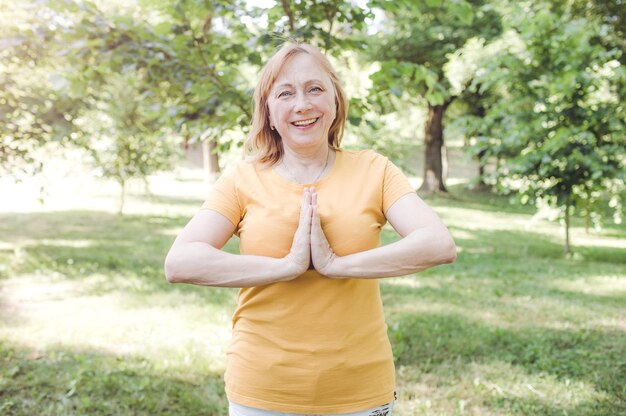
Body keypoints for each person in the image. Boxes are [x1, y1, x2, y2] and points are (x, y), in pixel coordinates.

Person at [164, 42, 456, 416]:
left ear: (335, 101)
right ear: (268, 112)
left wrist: (335, 265)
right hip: (263, 390)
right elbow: (180, 262)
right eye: (285, 93)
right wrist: (287, 266)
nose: (302, 104)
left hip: (359, 389)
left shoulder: (374, 170)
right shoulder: (241, 179)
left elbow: (437, 244)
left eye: (314, 89)